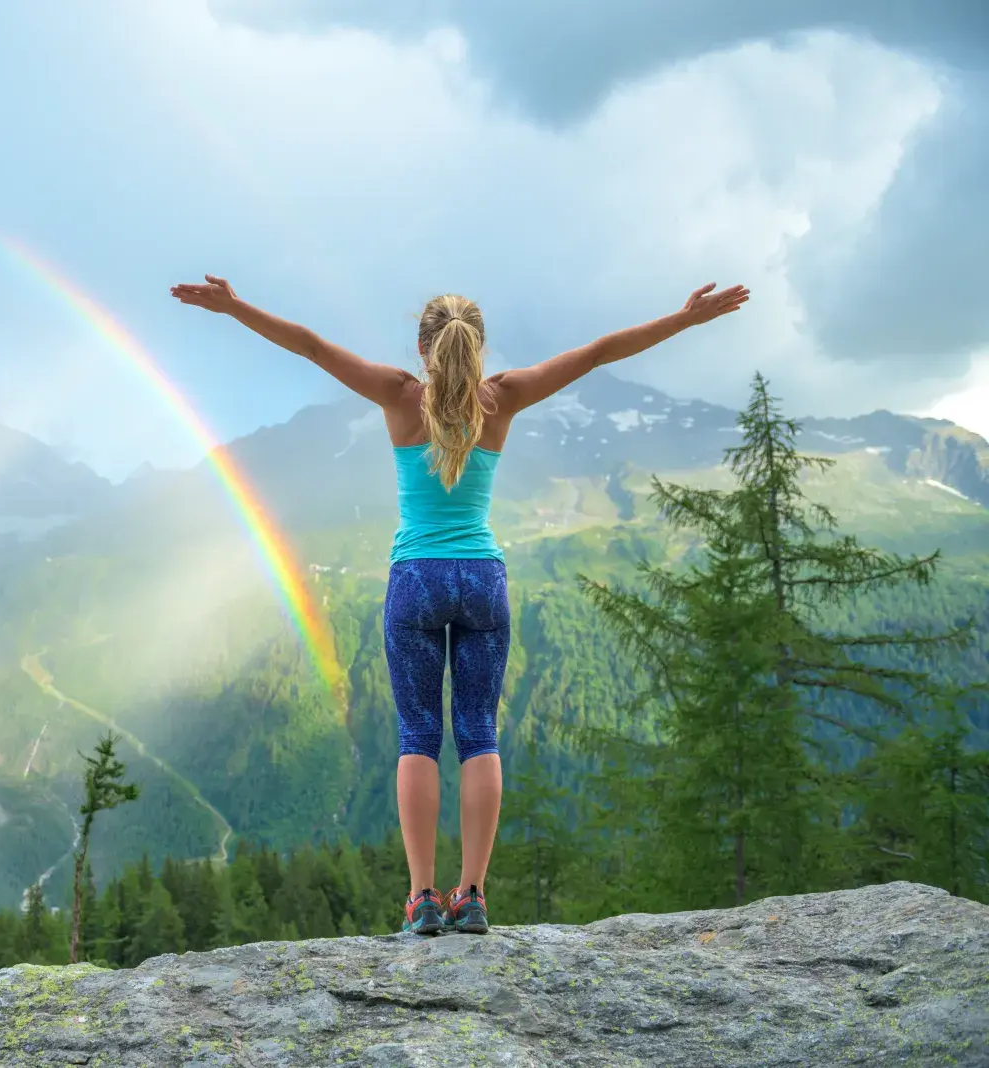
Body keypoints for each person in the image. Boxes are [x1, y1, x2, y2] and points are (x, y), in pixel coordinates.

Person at [169, 275, 749, 934]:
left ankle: (422, 898)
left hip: (415, 580)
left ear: (423, 347)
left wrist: (235, 305)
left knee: (419, 737)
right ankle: (471, 893)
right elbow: (599, 352)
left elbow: (309, 347)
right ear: (479, 346)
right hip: (481, 580)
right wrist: (684, 319)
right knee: (478, 735)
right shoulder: (503, 398)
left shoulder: (397, 395)